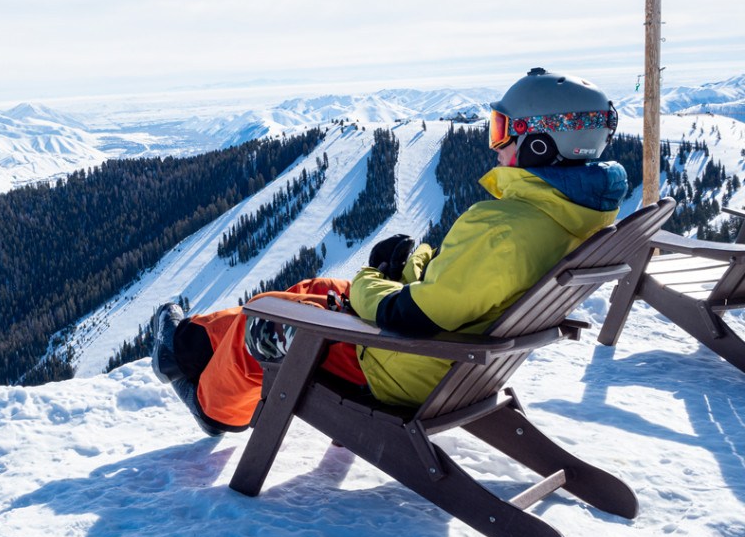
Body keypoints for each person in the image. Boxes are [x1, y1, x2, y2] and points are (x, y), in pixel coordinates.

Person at [151, 67, 629, 437]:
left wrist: (372, 277)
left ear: (543, 144)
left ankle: (215, 410)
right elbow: (464, 286)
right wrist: (410, 264)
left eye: (504, 129)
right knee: (314, 290)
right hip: (452, 362)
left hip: (401, 366)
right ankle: (189, 343)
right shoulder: (568, 219)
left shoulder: (507, 227)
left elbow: (411, 316)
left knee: (266, 318)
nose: (496, 143)